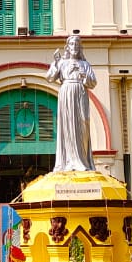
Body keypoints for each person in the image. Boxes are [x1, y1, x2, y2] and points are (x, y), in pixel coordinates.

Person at [46, 33, 97, 172]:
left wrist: (84, 75)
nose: (74, 47)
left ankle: (83, 161)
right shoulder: (62, 62)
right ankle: (69, 161)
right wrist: (56, 63)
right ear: (67, 47)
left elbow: (93, 83)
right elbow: (49, 78)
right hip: (67, 92)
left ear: (80, 47)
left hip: (81, 92)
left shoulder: (85, 64)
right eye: (72, 44)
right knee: (68, 125)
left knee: (83, 122)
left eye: (77, 44)